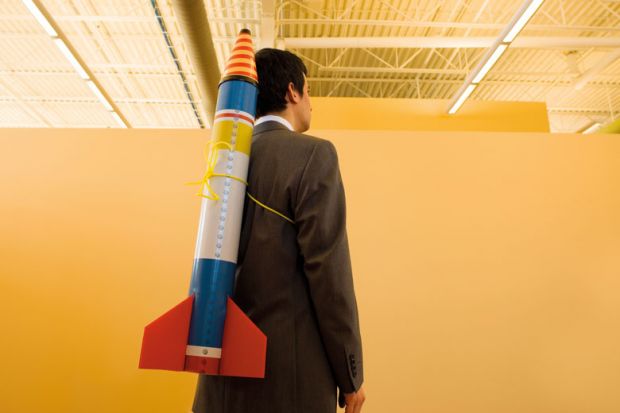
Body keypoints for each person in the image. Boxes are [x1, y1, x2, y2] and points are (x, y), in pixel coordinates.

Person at [192, 48, 365, 413]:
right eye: (309, 91)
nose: (311, 104)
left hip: (218, 385)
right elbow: (329, 274)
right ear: (292, 92)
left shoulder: (222, 157)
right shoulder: (314, 155)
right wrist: (351, 377)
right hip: (290, 386)